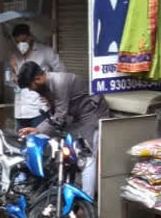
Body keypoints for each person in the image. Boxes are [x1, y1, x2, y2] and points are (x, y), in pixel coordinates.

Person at [16, 61, 110, 197]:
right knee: (66, 153)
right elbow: (54, 115)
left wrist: (38, 130)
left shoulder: (59, 83)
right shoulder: (47, 86)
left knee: (87, 158)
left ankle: (87, 200)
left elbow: (60, 117)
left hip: (93, 116)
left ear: (38, 78)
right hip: (78, 117)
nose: (31, 90)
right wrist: (37, 130)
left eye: (30, 87)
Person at [8, 24, 65, 130]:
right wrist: (14, 69)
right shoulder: (14, 56)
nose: (20, 44)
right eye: (17, 42)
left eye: (23, 40)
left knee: (42, 140)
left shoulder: (45, 52)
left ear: (30, 37)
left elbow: (62, 75)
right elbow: (13, 83)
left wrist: (51, 96)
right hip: (20, 111)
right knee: (21, 143)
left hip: (39, 109)